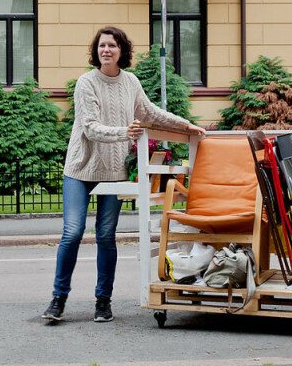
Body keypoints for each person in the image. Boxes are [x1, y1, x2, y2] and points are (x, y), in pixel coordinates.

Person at [43, 27, 206, 323]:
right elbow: (90, 127)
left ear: (121, 51)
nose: (107, 50)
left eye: (112, 45)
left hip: (114, 171)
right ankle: (58, 299)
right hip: (81, 169)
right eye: (102, 45)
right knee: (72, 233)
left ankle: (103, 301)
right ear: (96, 51)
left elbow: (151, 113)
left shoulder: (130, 82)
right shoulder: (86, 82)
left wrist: (186, 125)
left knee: (106, 236)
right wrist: (124, 132)